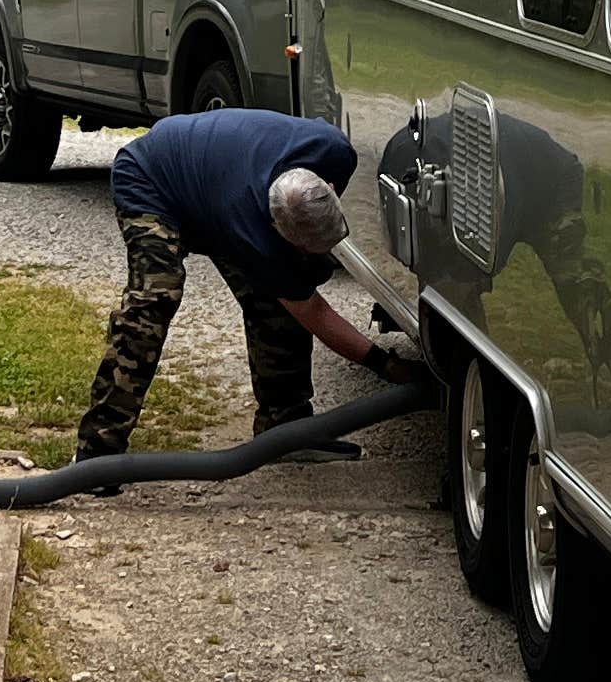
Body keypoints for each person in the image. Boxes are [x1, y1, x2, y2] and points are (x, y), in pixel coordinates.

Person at [73, 104, 420, 460]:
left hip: (214, 177)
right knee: (153, 303)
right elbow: (314, 313)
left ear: (329, 186)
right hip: (152, 178)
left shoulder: (335, 152)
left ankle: (286, 432)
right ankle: (97, 451)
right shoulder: (253, 231)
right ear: (275, 230)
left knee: (275, 301)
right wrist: (386, 366)